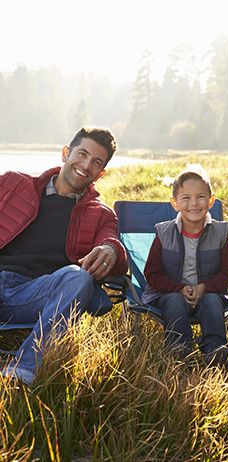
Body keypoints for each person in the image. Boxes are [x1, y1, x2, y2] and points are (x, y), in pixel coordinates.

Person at [0, 126, 128, 385]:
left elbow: (114, 247)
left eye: (96, 162)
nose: (85, 165)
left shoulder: (101, 213)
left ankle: (23, 371)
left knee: (78, 277)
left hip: (32, 294)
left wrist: (110, 249)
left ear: (100, 174)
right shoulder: (13, 182)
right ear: (65, 153)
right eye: (82, 154)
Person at [142, 166, 228, 370]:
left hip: (208, 291)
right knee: (175, 301)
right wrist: (178, 288)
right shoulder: (164, 233)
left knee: (211, 301)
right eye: (186, 198)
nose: (193, 203)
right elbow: (152, 273)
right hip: (170, 293)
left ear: (211, 201)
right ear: (175, 203)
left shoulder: (220, 234)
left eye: (201, 197)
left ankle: (215, 349)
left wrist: (204, 287)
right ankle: (179, 349)